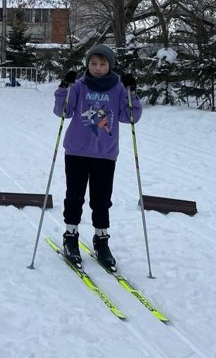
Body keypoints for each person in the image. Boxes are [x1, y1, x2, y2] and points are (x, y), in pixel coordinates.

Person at [54, 44, 142, 268]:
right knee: (74, 195)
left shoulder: (118, 88)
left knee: (101, 199)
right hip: (77, 151)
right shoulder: (80, 86)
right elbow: (63, 111)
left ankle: (101, 240)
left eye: (103, 64)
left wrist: (132, 92)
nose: (98, 68)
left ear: (110, 65)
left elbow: (129, 117)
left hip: (105, 153)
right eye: (93, 63)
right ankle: (70, 236)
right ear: (87, 64)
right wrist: (65, 87)